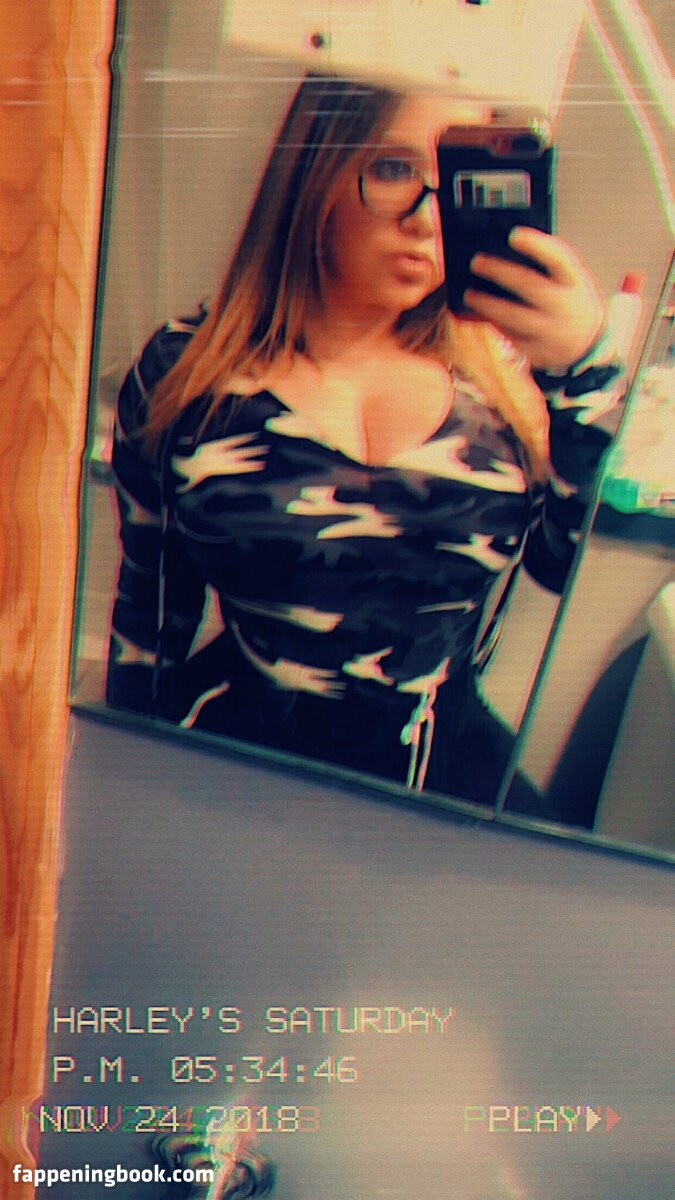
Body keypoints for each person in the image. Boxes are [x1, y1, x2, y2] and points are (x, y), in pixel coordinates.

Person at [106, 76, 621, 803]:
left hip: (442, 776)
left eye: (452, 179)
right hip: (234, 765)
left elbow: (566, 567)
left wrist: (584, 374)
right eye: (393, 168)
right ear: (314, 170)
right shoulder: (187, 370)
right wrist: (120, 786)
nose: (426, 218)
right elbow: (151, 615)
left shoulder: (508, 378)